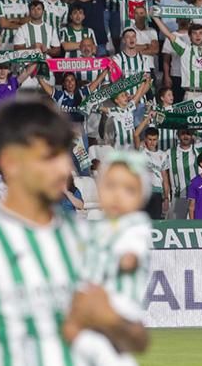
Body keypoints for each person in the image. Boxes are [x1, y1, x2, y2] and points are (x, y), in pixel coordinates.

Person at [0, 96, 148, 365]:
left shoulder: (81, 236)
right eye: (50, 156)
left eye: (64, 155)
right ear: (11, 162)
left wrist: (110, 319)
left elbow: (136, 340)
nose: (65, 168)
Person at [73, 150, 153, 366]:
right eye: (110, 186)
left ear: (141, 197)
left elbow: (130, 255)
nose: (118, 195)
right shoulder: (99, 225)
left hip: (118, 306)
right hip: (93, 310)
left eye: (129, 190)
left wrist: (126, 260)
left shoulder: (135, 223)